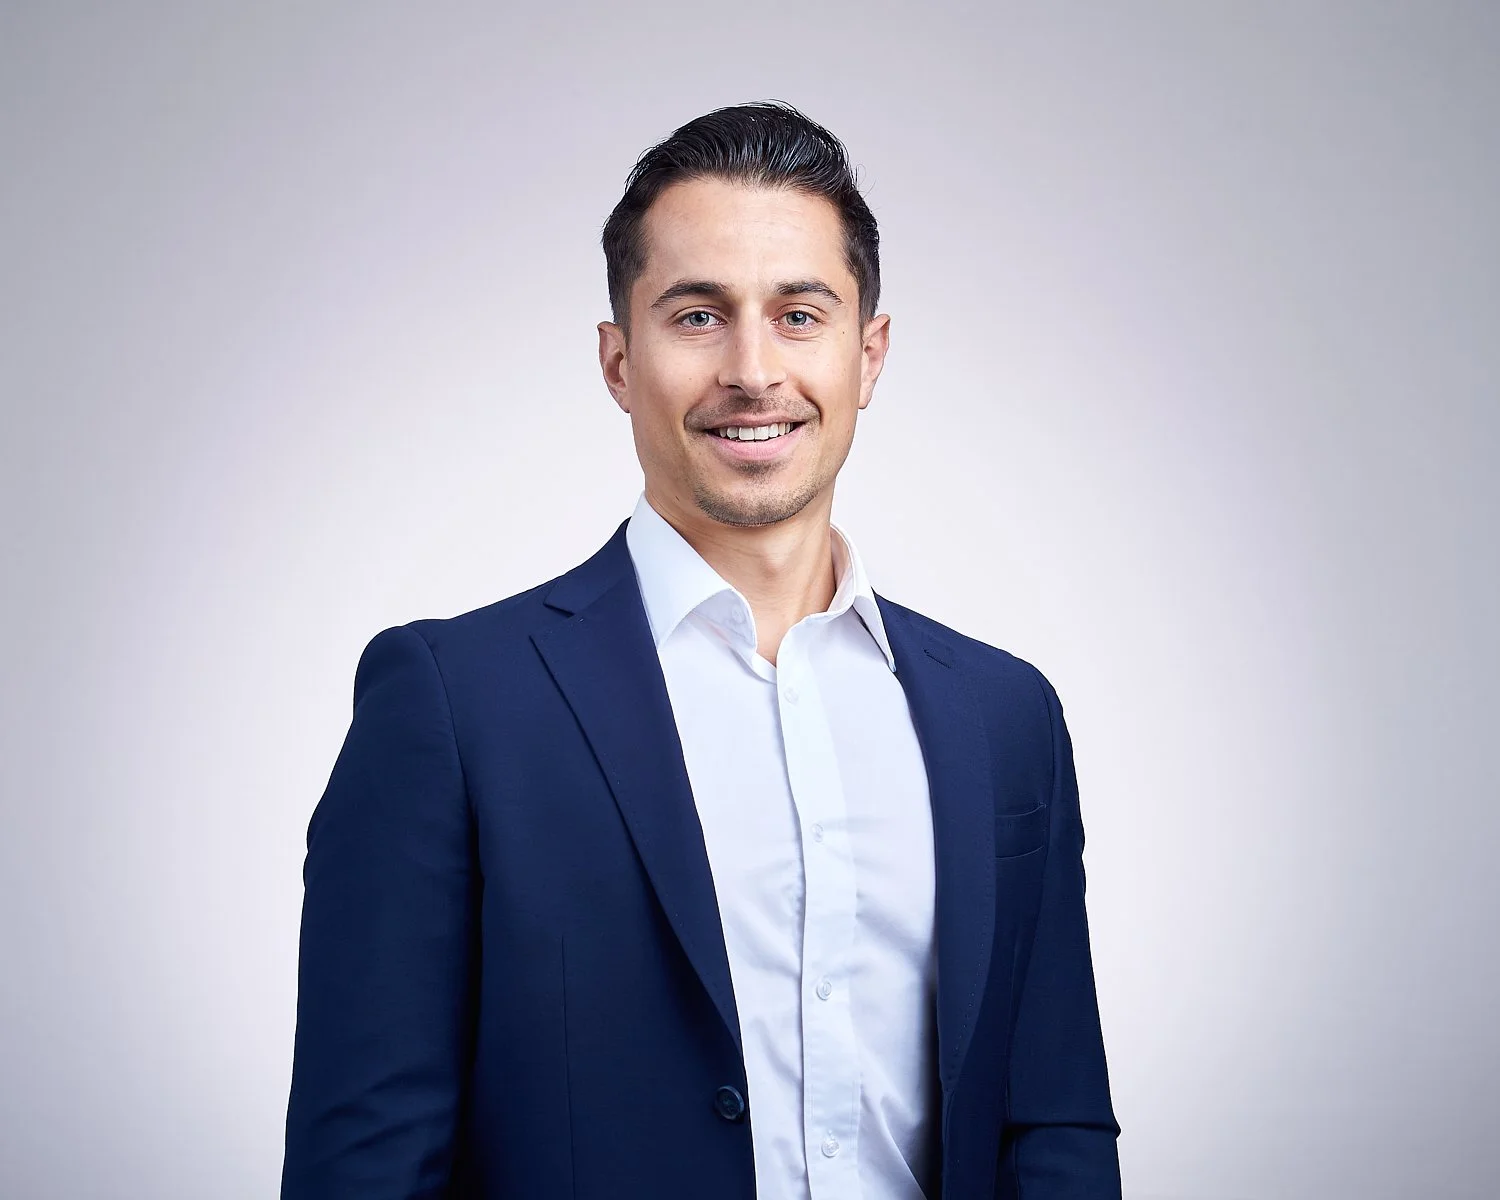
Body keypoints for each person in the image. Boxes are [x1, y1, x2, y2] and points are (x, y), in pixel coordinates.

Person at [281, 101, 1121, 1200]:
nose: (754, 370)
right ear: (618, 361)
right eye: (697, 316)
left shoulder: (1003, 717)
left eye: (800, 313)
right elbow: (365, 1163)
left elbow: (1053, 1120)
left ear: (869, 354)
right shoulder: (451, 706)